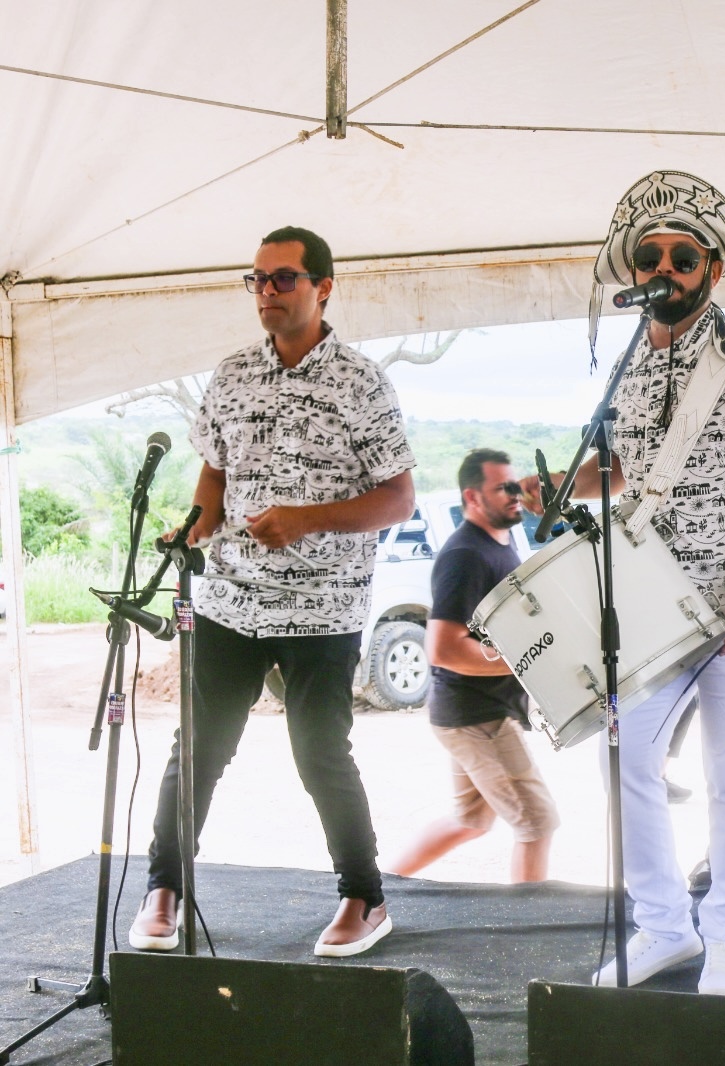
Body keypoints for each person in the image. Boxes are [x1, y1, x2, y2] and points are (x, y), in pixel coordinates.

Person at [526, 171, 725, 998]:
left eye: (684, 258)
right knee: (625, 760)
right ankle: (662, 925)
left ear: (712, 271)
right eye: (650, 257)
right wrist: (569, 487)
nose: (665, 270)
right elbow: (627, 470)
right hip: (651, 604)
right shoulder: (628, 366)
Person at [128, 226, 416, 957]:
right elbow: (215, 471)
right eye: (257, 279)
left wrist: (307, 520)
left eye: (284, 278)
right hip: (229, 599)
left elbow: (399, 498)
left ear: (323, 287)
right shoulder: (231, 375)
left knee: (319, 753)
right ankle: (165, 888)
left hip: (323, 605)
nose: (266, 291)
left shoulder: (361, 382)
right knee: (197, 749)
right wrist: (196, 524)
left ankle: (364, 898)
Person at [386, 449, 560, 883]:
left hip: (472, 712)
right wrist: (523, 662)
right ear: (472, 496)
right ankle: (531, 922)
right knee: (537, 823)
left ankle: (381, 887)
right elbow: (444, 649)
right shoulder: (465, 555)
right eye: (502, 488)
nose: (515, 494)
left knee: (470, 820)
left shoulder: (499, 543)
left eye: (515, 484)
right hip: (477, 716)